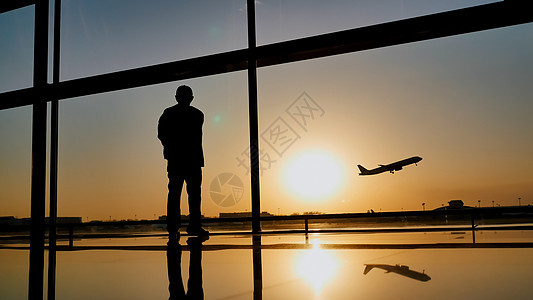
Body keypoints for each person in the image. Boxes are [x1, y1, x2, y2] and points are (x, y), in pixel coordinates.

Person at [158, 85, 209, 238]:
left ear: (176, 97)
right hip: (193, 160)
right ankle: (194, 226)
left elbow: (162, 135)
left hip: (176, 160)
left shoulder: (168, 114)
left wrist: (172, 149)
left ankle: (173, 227)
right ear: (191, 98)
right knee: (194, 195)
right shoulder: (198, 114)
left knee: (174, 194)